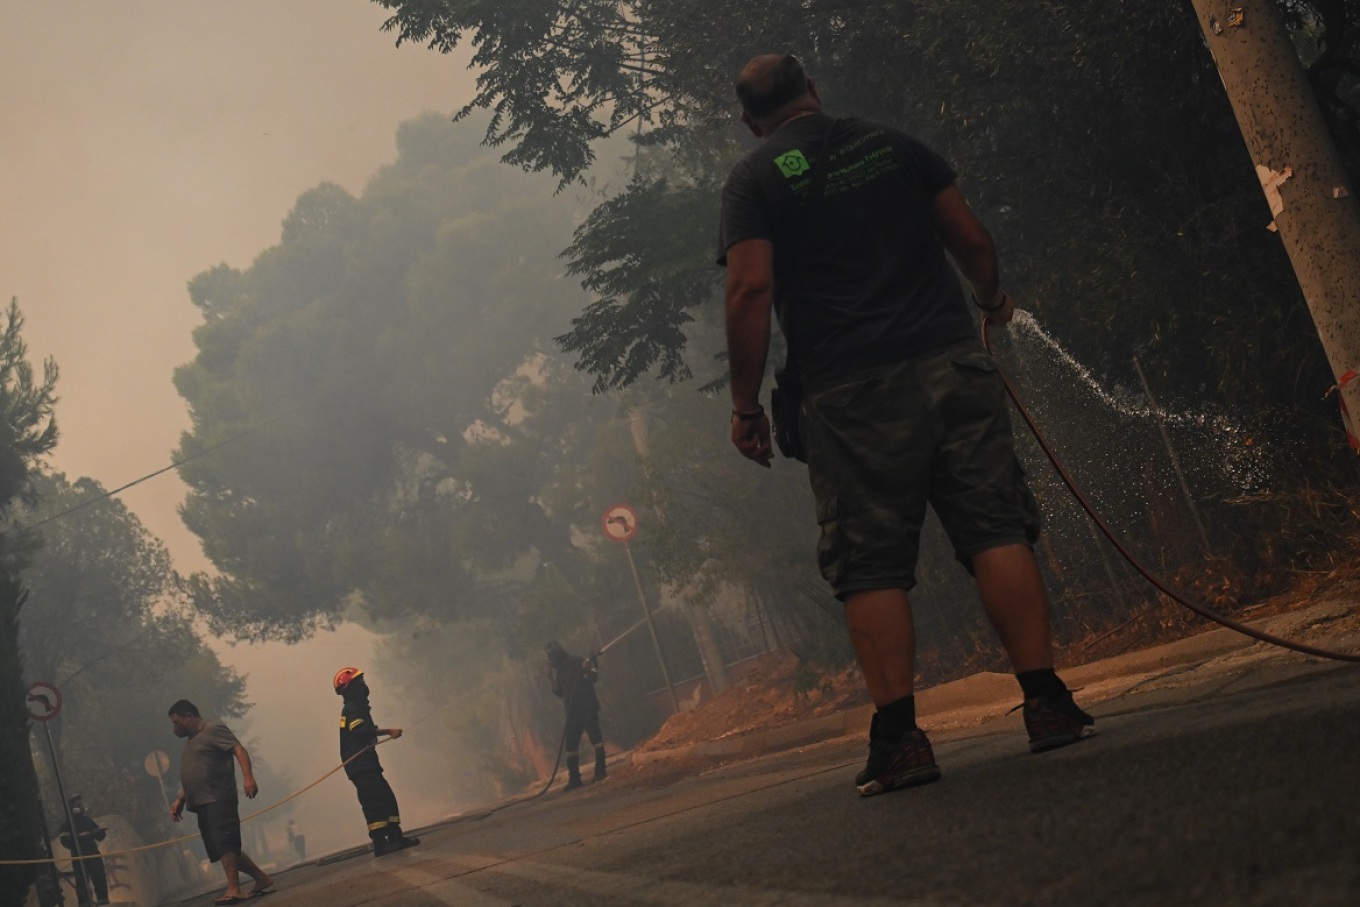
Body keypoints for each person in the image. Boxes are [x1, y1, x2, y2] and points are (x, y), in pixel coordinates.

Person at [719, 54, 1095, 797]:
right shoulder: (894, 145)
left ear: (750, 120)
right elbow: (973, 243)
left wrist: (745, 404)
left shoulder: (753, 179)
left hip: (850, 394)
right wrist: (989, 303)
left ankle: (900, 740)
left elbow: (750, 286)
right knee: (995, 529)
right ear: (814, 92)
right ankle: (1047, 702)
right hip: (951, 364)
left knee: (871, 563)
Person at [167, 700, 275, 904]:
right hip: (201, 801)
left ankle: (234, 889)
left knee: (225, 843)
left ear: (188, 716)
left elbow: (239, 750)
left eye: (176, 722)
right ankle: (262, 879)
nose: (175, 728)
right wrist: (181, 798)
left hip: (218, 797)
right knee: (221, 846)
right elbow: (196, 773)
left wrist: (248, 777)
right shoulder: (191, 741)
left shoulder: (212, 729)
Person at [333, 667, 420, 857]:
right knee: (374, 801)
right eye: (359, 683)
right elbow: (360, 730)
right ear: (350, 688)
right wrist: (388, 731)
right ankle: (380, 843)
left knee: (385, 797)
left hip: (367, 764)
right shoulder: (353, 708)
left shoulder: (356, 707)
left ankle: (395, 837)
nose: (364, 687)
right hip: (360, 765)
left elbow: (361, 730)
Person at [544, 641, 607, 790]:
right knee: (570, 746)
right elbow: (559, 693)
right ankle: (574, 780)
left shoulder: (578, 662)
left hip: (587, 708)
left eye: (550, 657)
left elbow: (593, 677)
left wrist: (588, 668)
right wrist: (549, 677)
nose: (549, 661)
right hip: (573, 712)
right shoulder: (560, 672)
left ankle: (600, 771)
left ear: (556, 655)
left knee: (596, 740)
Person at [58, 794, 108, 906]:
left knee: (99, 877)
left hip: (93, 854)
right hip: (79, 856)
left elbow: (98, 836)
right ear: (71, 807)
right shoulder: (66, 824)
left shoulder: (88, 820)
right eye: (78, 804)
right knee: (82, 882)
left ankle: (103, 900)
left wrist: (100, 833)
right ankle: (85, 903)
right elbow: (65, 841)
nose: (81, 806)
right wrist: (83, 837)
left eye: (81, 803)